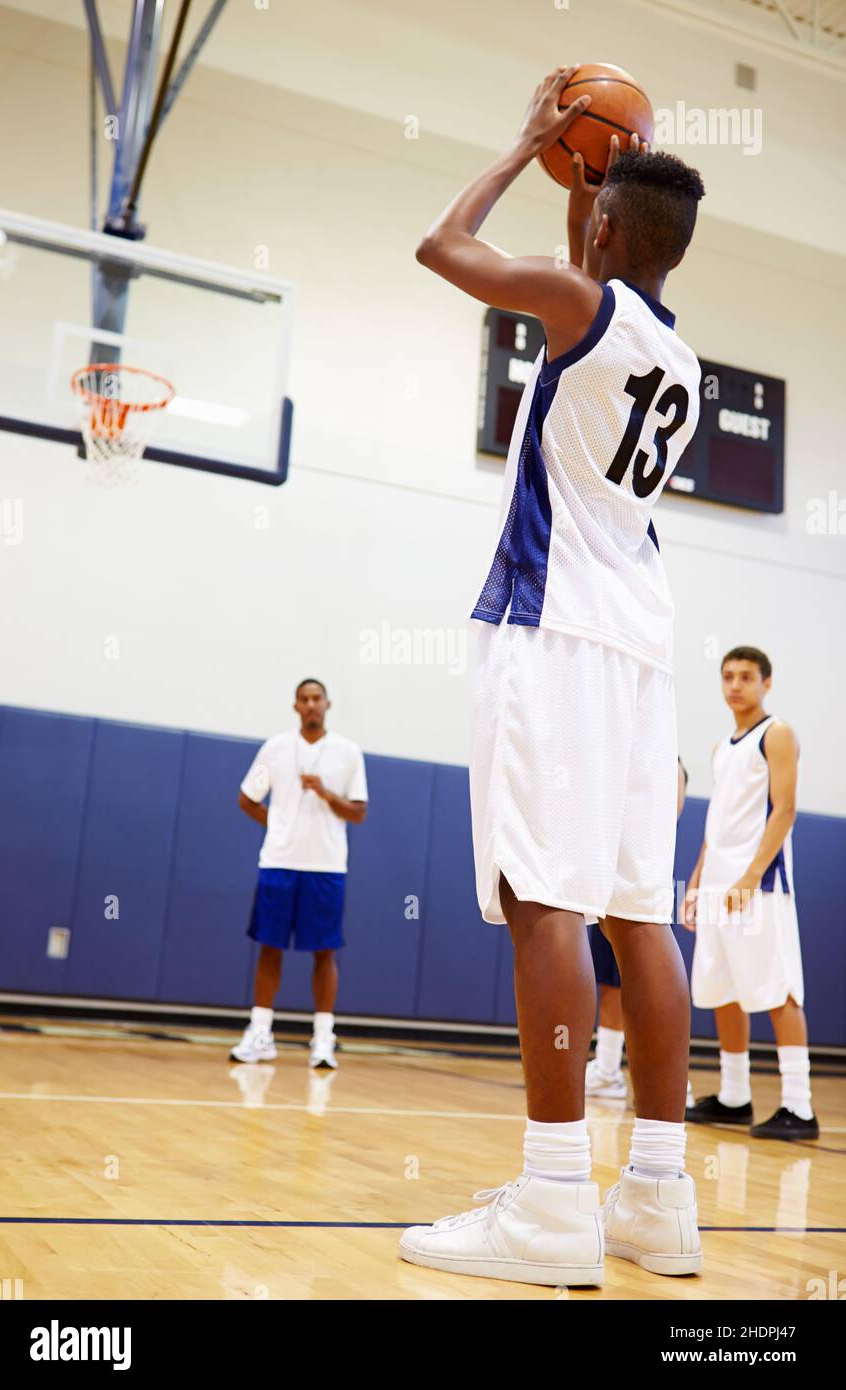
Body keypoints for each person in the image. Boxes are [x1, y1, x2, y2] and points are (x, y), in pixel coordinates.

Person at [400, 66, 705, 1287]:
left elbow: (440, 247)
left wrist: (523, 146)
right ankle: (657, 1196)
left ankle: (546, 1199)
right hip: (642, 644)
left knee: (544, 900)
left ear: (607, 230)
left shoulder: (575, 307)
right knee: (638, 911)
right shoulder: (682, 364)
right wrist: (582, 178)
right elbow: (595, 261)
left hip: (552, 629)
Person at [681, 647, 818, 1140]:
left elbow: (784, 811)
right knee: (723, 989)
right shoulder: (722, 748)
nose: (735, 685)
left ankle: (799, 1107)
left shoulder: (777, 734)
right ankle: (735, 1097)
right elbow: (716, 825)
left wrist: (749, 878)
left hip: (759, 885)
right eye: (728, 676)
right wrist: (697, 881)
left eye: (746, 677)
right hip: (720, 884)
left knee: (778, 987)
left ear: (767, 683)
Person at [231, 678, 368, 1070]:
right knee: (269, 947)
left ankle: (323, 1041)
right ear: (295, 707)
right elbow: (246, 798)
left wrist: (326, 794)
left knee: (325, 951)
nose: (311, 705)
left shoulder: (347, 753)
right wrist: (276, 825)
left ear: (328, 704)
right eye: (304, 699)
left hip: (325, 866)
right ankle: (260, 1036)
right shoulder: (275, 749)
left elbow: (359, 813)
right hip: (278, 862)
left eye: (317, 699)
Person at [587, 759, 692, 1104]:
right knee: (608, 980)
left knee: (644, 981)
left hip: (641, 884)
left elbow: (664, 820)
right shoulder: (609, 751)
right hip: (604, 882)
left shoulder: (667, 762)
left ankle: (668, 1076)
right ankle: (606, 1069)